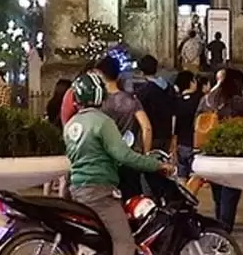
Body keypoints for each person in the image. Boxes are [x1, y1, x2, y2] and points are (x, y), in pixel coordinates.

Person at [64, 72, 179, 255]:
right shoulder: (103, 122)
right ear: (100, 94)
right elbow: (124, 155)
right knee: (124, 242)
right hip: (100, 193)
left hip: (77, 189)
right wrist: (156, 165)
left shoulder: (71, 125)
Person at [207, 68, 243, 231]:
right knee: (229, 196)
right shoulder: (239, 102)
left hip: (212, 150)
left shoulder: (210, 99)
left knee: (218, 197)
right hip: (232, 153)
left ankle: (219, 227)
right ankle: (224, 230)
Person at [95, 56, 151, 153]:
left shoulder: (98, 101)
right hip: (129, 154)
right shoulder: (131, 100)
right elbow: (147, 128)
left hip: (105, 156)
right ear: (118, 75)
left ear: (100, 74)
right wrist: (146, 155)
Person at [133, 56, 175, 157]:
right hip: (167, 134)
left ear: (142, 72)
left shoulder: (143, 92)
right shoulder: (168, 87)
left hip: (151, 135)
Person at [171, 71, 201, 177]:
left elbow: (174, 126)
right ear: (191, 82)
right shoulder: (199, 100)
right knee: (196, 179)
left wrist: (173, 146)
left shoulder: (175, 101)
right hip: (195, 144)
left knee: (181, 177)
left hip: (181, 144)